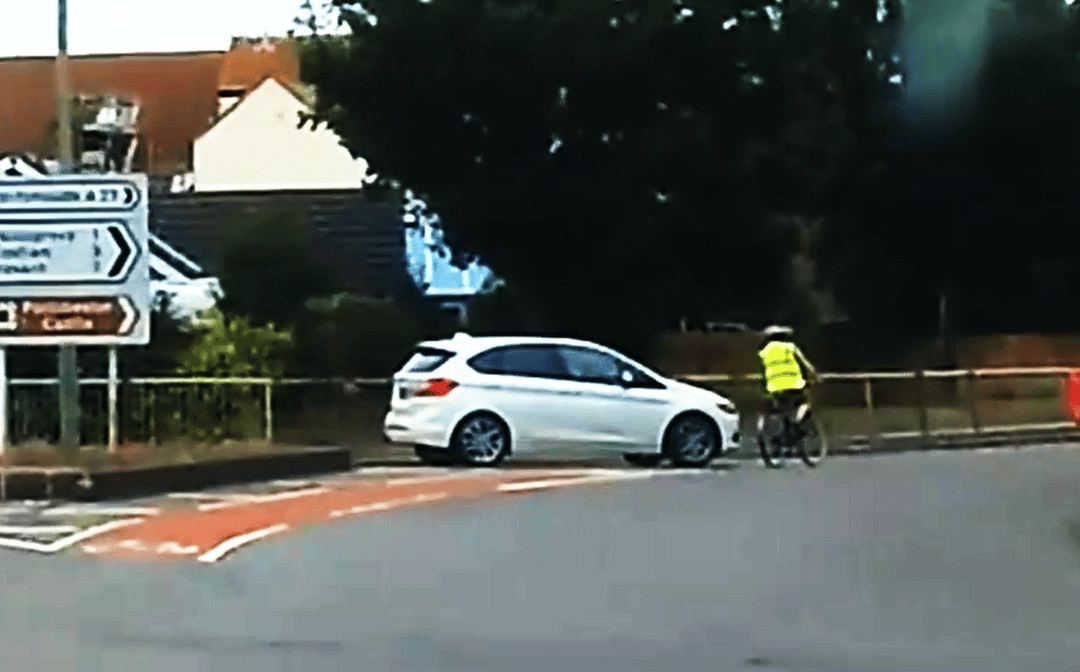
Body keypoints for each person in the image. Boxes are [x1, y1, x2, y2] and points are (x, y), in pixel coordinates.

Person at [757, 325, 819, 428]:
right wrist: (816, 376)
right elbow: (806, 365)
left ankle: (777, 428)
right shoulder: (790, 347)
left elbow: (763, 372)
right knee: (803, 402)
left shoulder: (764, 352)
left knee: (780, 406)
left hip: (774, 388)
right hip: (794, 385)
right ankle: (798, 421)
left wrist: (765, 388)